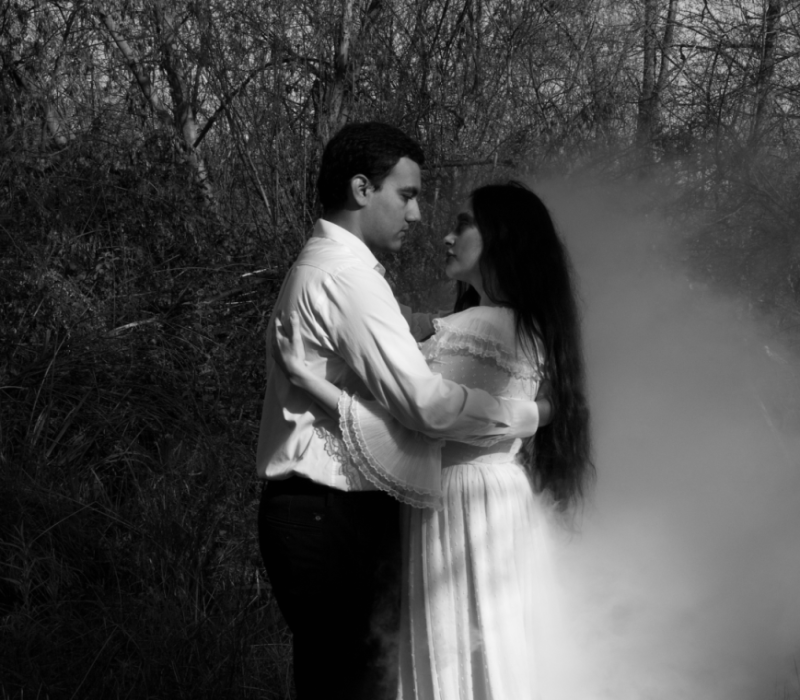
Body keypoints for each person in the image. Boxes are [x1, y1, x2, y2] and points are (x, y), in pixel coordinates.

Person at [256, 124, 549, 700]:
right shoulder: (345, 277)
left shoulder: (342, 272)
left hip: (328, 513)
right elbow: (426, 408)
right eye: (407, 195)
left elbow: (413, 363)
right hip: (328, 512)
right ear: (363, 189)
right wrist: (530, 414)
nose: (417, 215)